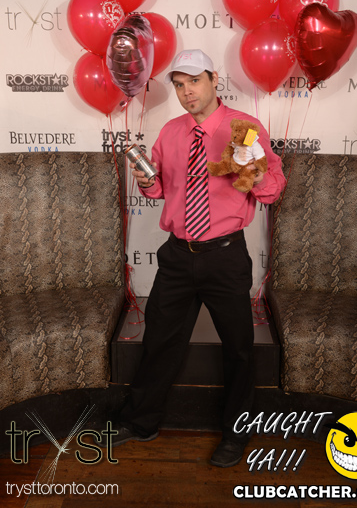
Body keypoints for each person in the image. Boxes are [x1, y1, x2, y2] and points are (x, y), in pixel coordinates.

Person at [110, 49, 286, 467]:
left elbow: (271, 191)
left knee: (239, 349)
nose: (187, 92)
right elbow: (159, 190)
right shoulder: (171, 132)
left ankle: (236, 433)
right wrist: (145, 179)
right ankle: (141, 422)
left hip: (225, 256)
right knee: (159, 341)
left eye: (195, 81)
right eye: (179, 85)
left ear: (213, 80)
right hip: (177, 256)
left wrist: (255, 169)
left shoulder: (245, 129)